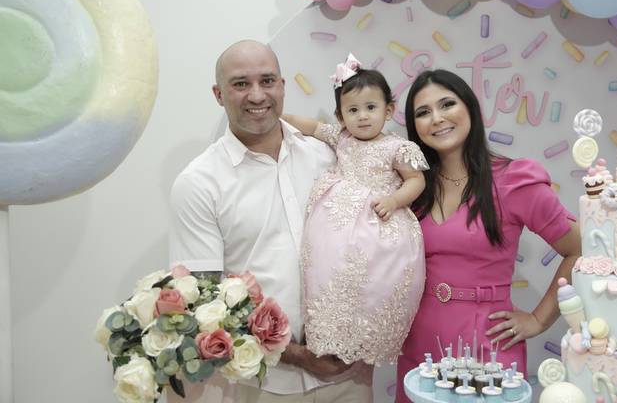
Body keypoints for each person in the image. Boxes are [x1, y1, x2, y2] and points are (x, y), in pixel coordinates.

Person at [169, 40, 373, 403]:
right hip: (263, 383)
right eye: (240, 84)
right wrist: (297, 354)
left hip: (349, 377)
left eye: (267, 80)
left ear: (282, 86)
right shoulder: (199, 182)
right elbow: (203, 299)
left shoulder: (328, 157)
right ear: (218, 95)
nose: (257, 94)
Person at [395, 69, 581, 402]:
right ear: (415, 126)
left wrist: (538, 319)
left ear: (470, 108)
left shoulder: (514, 180)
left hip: (488, 349)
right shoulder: (413, 189)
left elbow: (579, 248)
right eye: (423, 112)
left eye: (447, 104)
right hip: (420, 347)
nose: (436, 118)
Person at [282, 54, 427, 366]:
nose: (362, 116)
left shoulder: (397, 147)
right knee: (330, 273)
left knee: (378, 280)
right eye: (353, 110)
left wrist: (394, 201)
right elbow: (312, 127)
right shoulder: (341, 137)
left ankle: (369, 334)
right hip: (337, 225)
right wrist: (282, 118)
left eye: (371, 108)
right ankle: (332, 330)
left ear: (388, 110)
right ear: (341, 116)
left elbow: (416, 180)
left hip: (379, 221)